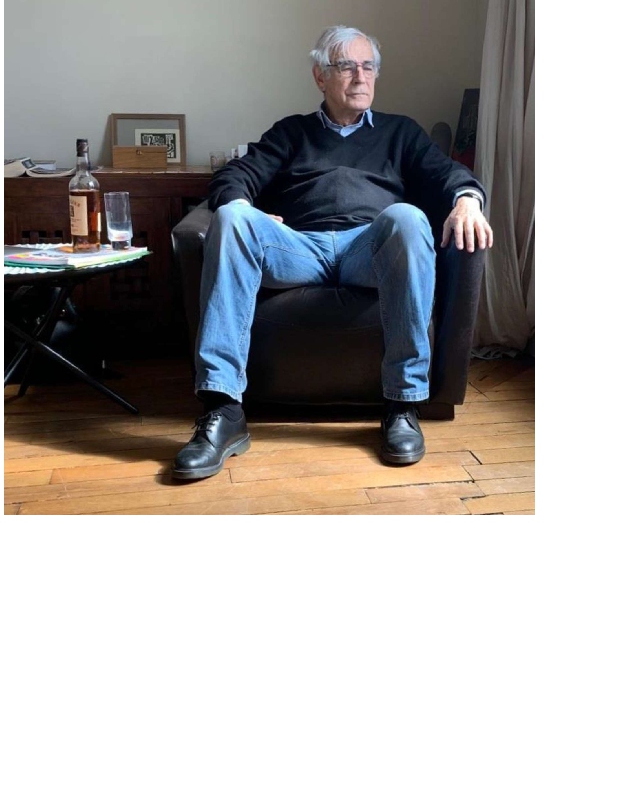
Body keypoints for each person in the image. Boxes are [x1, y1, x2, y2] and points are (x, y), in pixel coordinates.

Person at [172, 24, 493, 481]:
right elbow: (235, 176)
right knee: (231, 217)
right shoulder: (292, 132)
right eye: (346, 66)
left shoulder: (401, 132)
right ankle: (223, 409)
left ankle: (402, 405)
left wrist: (467, 199)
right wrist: (245, 207)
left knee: (407, 217)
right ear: (320, 76)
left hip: (370, 249)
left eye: (369, 66)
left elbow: (446, 174)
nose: (361, 76)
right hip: (298, 247)